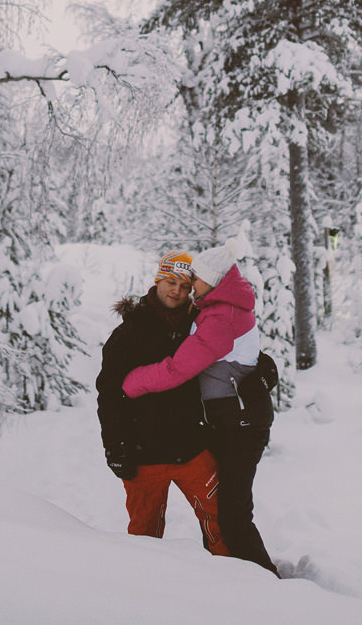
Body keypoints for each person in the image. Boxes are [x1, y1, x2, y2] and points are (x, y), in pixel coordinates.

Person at [121, 239, 278, 575]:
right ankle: (229, 578)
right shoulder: (214, 306)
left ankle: (265, 581)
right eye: (180, 279)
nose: (189, 284)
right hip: (227, 422)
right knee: (224, 510)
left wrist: (132, 382)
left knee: (232, 513)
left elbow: (180, 369)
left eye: (195, 278)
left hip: (241, 425)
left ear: (215, 280)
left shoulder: (222, 314)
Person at [96, 251, 229, 556]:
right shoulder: (129, 332)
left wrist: (261, 368)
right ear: (158, 280)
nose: (177, 291)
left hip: (194, 449)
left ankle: (232, 583)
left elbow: (230, 350)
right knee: (144, 537)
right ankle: (145, 595)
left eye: (184, 286)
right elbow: (109, 393)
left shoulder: (199, 324)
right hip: (145, 456)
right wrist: (115, 447)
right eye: (171, 282)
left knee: (223, 521)